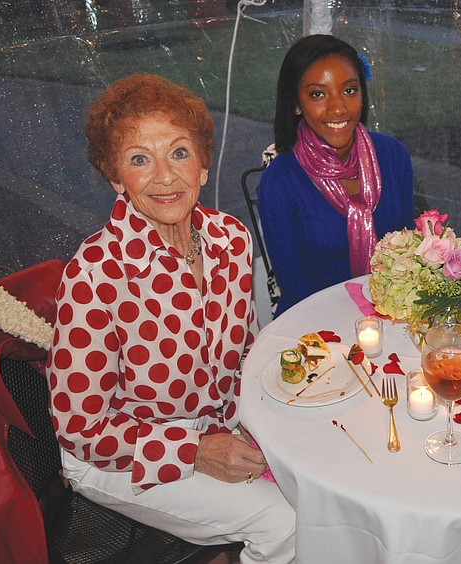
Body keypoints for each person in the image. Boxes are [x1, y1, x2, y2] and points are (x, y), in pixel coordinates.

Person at [48, 74, 295, 562]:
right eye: (140, 159)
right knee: (284, 524)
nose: (165, 176)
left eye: (179, 153)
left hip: (217, 425)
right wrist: (197, 450)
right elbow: (80, 428)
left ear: (203, 164)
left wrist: (260, 418)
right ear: (117, 178)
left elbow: (245, 349)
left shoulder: (230, 239)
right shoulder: (95, 275)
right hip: (116, 456)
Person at [258, 34, 415, 314]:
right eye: (318, 94)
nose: (338, 107)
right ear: (296, 103)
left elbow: (408, 253)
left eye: (349, 90)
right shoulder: (279, 182)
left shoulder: (392, 156)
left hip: (392, 317)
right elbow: (294, 284)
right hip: (315, 324)